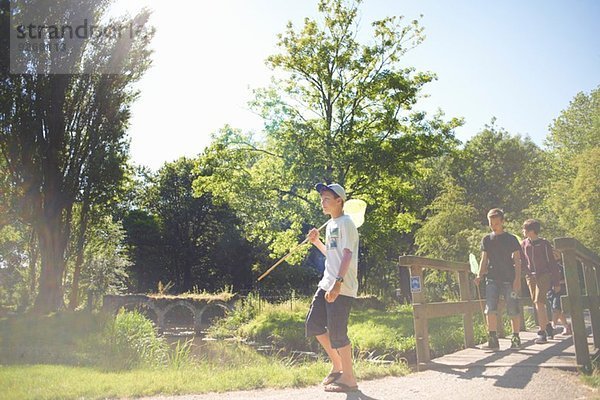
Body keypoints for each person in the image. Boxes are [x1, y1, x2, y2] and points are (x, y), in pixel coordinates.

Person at [306, 183, 359, 393]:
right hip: (326, 283)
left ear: (340, 201)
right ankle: (338, 365)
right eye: (321, 198)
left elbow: (347, 255)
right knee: (314, 325)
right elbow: (332, 254)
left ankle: (349, 380)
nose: (323, 202)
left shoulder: (346, 223)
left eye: (327, 198)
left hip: (341, 286)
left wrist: (338, 283)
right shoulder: (330, 225)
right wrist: (316, 242)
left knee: (338, 333)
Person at [474, 208, 522, 350]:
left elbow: (517, 260)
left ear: (502, 222)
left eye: (496, 223)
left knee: (513, 308)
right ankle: (493, 339)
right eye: (491, 223)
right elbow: (484, 260)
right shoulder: (486, 239)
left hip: (509, 278)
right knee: (490, 309)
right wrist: (479, 275)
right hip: (492, 278)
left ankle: (516, 337)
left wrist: (517, 279)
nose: (493, 225)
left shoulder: (511, 239)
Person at [521, 219, 562, 344]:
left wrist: (556, 282)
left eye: (525, 229)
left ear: (532, 231)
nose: (523, 231)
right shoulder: (523, 244)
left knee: (539, 301)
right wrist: (525, 272)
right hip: (530, 276)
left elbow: (552, 263)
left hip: (544, 275)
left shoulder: (544, 244)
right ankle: (548, 326)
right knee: (536, 303)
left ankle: (541, 332)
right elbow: (522, 260)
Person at [547, 251, 572, 335]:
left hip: (560, 290)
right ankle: (566, 326)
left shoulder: (562, 267)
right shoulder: (547, 267)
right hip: (550, 291)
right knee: (557, 310)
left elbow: (568, 279)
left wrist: (559, 283)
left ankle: (553, 326)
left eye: (556, 255)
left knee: (556, 308)